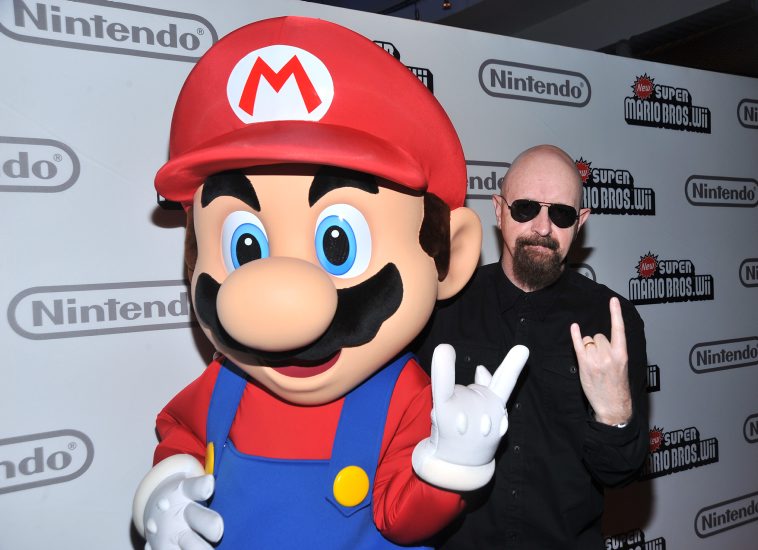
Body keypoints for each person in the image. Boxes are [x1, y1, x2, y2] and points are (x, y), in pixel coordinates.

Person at [413, 144, 649, 549]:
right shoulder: (443, 306)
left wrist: (615, 414)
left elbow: (620, 473)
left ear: (580, 222)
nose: (543, 227)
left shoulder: (612, 321)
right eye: (525, 209)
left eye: (561, 214)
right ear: (499, 210)